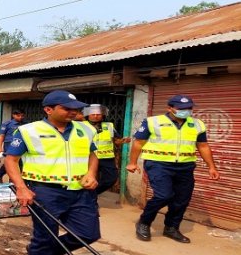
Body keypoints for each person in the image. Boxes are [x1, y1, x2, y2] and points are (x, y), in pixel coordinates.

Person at [4, 90, 99, 255]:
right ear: (48, 110)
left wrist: (91, 173)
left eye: (75, 109)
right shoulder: (28, 131)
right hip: (45, 191)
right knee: (46, 236)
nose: (73, 112)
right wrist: (21, 188)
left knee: (88, 233)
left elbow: (93, 155)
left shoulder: (86, 129)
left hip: (80, 191)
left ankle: (39, 253)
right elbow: (11, 160)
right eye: (66, 108)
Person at [127, 95, 220, 243]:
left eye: (189, 108)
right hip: (158, 164)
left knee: (182, 199)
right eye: (181, 108)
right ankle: (144, 222)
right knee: (164, 195)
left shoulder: (197, 124)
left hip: (185, 166)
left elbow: (203, 146)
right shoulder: (153, 122)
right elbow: (139, 143)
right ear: (170, 108)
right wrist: (132, 163)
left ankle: (171, 227)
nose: (186, 111)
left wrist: (211, 167)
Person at [83, 104, 131, 195]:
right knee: (88, 179)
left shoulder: (109, 126)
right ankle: (90, 199)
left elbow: (116, 141)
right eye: (93, 114)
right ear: (87, 115)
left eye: (98, 114)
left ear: (103, 115)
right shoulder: (81, 125)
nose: (96, 116)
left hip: (106, 158)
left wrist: (122, 141)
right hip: (88, 158)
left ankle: (93, 193)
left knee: (111, 179)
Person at [0, 109, 26, 183]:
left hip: (21, 144)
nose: (20, 117)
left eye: (22, 116)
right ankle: (6, 178)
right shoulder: (7, 124)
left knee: (17, 163)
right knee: (12, 161)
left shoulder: (25, 124)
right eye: (18, 115)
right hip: (9, 144)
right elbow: (1, 136)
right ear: (13, 115)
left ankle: (2, 176)